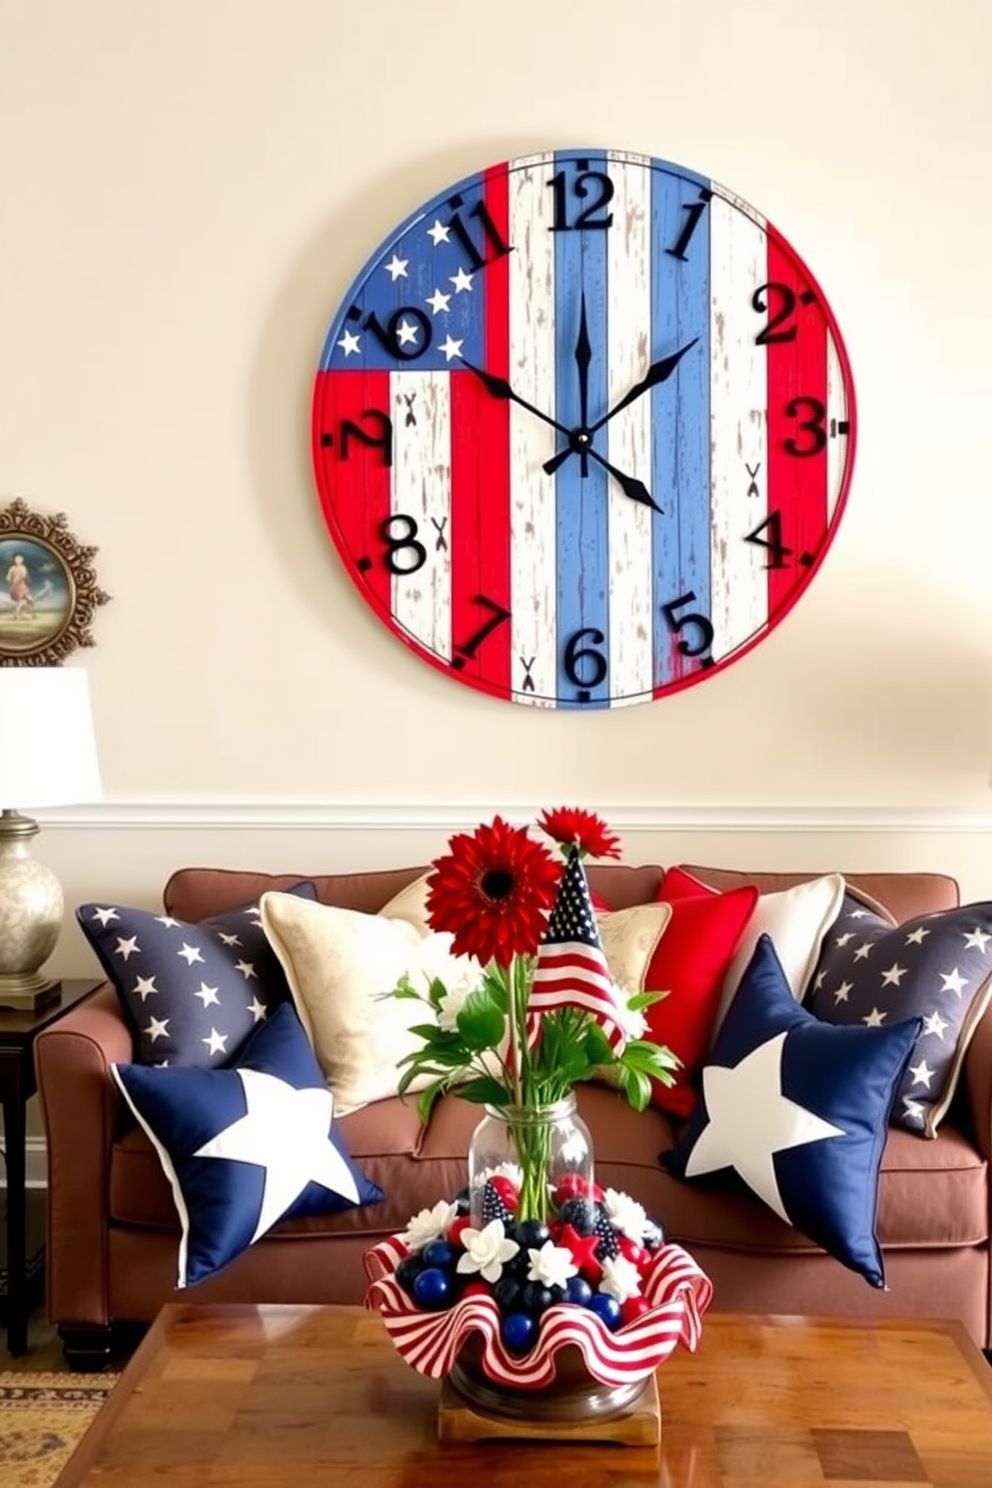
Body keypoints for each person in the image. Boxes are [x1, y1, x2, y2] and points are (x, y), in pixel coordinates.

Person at [6, 554, 34, 618]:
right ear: (14, 561)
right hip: (15, 586)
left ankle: (22, 613)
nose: (17, 561)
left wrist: (27, 581)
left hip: (22, 585)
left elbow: (24, 576)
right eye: (16, 560)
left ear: (21, 561)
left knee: (30, 600)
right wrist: (11, 583)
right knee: (19, 601)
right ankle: (17, 614)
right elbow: (8, 577)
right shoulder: (12, 568)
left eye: (19, 560)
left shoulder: (23, 568)